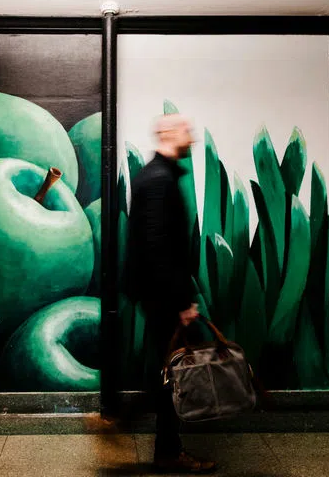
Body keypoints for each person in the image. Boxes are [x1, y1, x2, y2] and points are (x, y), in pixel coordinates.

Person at [126, 113, 218, 473]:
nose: (190, 134)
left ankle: (138, 427)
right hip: (163, 295)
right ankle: (158, 443)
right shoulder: (160, 180)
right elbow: (158, 247)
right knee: (173, 372)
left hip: (157, 292)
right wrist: (182, 302)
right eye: (184, 129)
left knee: (169, 370)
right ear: (166, 134)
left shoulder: (158, 176)